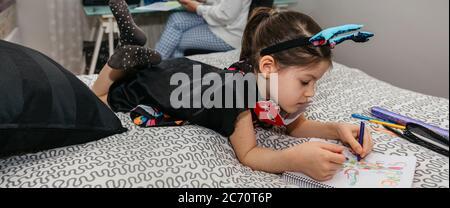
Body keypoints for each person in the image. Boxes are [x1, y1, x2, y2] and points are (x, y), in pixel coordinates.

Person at [92, 0, 374, 181]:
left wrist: (337, 129)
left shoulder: (265, 79)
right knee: (104, 100)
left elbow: (291, 125)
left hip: (186, 72)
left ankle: (141, 56)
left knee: (154, 69)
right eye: (305, 82)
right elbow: (249, 154)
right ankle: (118, 62)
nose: (311, 93)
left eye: (316, 83)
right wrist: (294, 159)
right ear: (268, 66)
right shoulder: (238, 96)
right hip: (165, 89)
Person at [155, 0, 251, 59]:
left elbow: (225, 15)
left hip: (229, 35)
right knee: (176, 19)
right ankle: (155, 64)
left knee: (175, 41)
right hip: (220, 25)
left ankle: (154, 68)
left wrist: (198, 8)